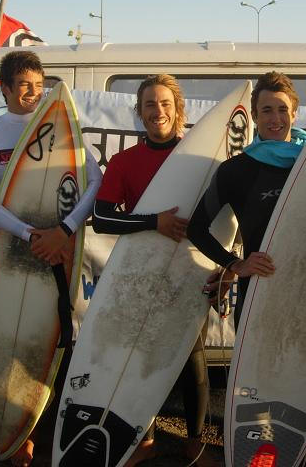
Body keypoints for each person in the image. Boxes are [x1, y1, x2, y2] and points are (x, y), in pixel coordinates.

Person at [0, 50, 102, 467]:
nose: (33, 93)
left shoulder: (62, 125)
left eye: (39, 85)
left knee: (56, 340)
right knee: (11, 339)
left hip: (60, 251)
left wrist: (64, 229)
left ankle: (50, 437)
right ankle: (18, 435)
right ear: (5, 87)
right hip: (11, 252)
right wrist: (29, 234)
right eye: (24, 85)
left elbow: (95, 182)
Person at [91, 74, 218, 467]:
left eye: (165, 103)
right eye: (150, 104)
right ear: (139, 111)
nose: (158, 111)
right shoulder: (124, 161)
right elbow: (101, 219)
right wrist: (153, 222)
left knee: (191, 357)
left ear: (178, 109)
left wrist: (226, 265)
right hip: (142, 274)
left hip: (190, 271)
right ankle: (143, 438)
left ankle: (195, 442)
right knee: (139, 357)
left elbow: (224, 218)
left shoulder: (201, 161)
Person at [187, 71, 306, 328]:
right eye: (266, 110)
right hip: (258, 292)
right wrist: (235, 264)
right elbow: (196, 229)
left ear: (294, 114)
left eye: (282, 110)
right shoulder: (236, 170)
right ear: (254, 116)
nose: (275, 119)